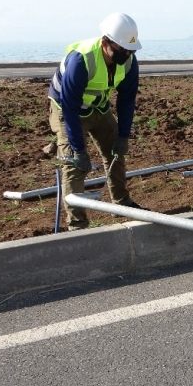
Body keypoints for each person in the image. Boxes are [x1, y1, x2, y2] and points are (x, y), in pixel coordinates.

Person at [48, 12, 144, 230]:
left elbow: (127, 100)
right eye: (121, 50)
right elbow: (70, 108)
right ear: (106, 42)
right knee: (73, 164)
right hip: (66, 110)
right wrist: (79, 150)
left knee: (115, 153)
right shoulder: (81, 60)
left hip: (97, 107)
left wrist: (123, 135)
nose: (127, 55)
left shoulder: (129, 62)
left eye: (131, 50)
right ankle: (78, 224)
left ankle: (122, 203)